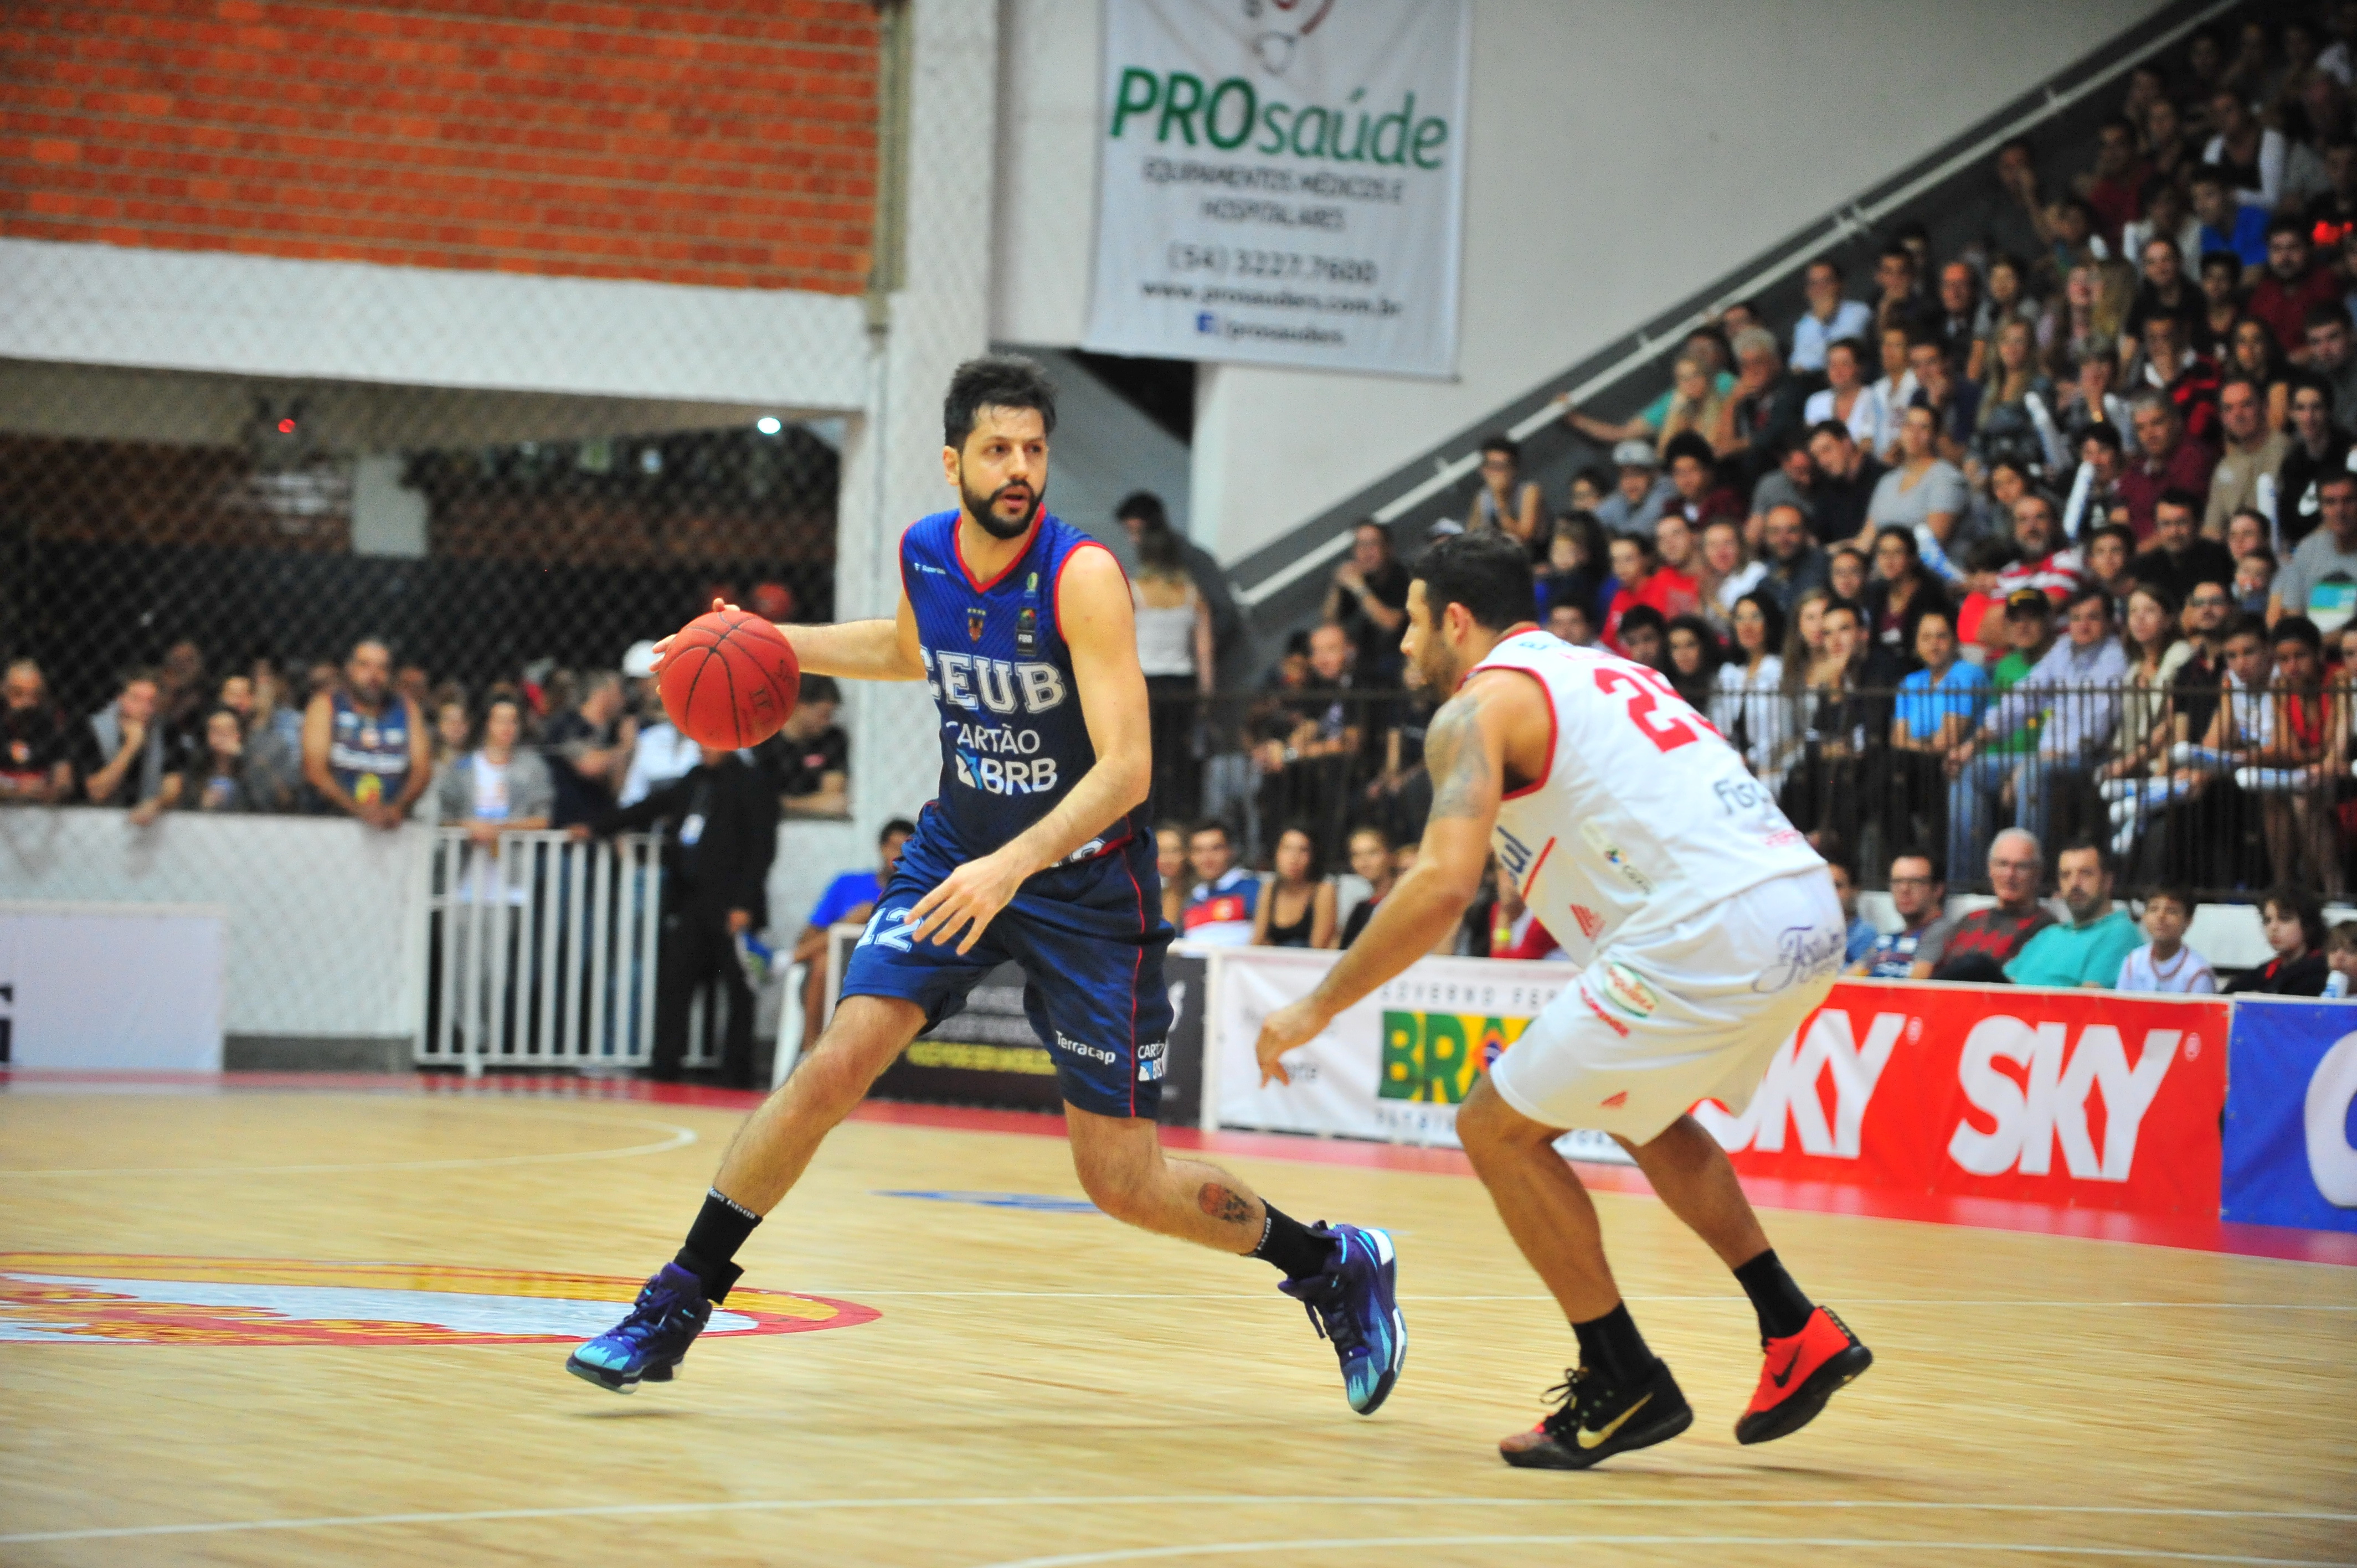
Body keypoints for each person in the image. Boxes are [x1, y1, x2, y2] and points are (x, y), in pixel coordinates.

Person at [569, 357, 1404, 1414]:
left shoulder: (1081, 575)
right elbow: (904, 647)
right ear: (953, 459)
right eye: (998, 450)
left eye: (1034, 451)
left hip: (1087, 891)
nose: (1019, 469)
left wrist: (1015, 865)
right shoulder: (926, 551)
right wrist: (769, 643)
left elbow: (1128, 769)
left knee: (1122, 1181)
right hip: (955, 851)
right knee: (837, 1062)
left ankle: (1331, 1262)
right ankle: (679, 1298)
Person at [1252, 529, 1868, 1472]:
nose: (1405, 644)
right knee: (1640, 1110)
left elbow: (1440, 886)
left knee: (1493, 1128)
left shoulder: (1476, 707)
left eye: (1414, 622)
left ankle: (1622, 1377)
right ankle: (1795, 1328)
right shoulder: (1607, 672)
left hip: (1706, 926)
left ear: (1456, 619)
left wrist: (1315, 1006)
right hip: (1806, 907)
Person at [581, 742, 778, 1086]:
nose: (704, 748)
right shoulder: (695, 779)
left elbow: (762, 848)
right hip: (691, 901)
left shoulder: (752, 783)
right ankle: (665, 1065)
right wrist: (597, 827)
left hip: (731, 904)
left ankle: (736, 1073)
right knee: (676, 983)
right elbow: (651, 806)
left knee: (738, 990)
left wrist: (744, 904)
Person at [791, 818, 917, 1061]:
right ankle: (809, 1054)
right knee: (824, 962)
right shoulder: (847, 884)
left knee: (868, 912)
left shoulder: (916, 894)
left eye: (906, 848)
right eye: (893, 846)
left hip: (883, 972)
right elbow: (810, 934)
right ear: (881, 848)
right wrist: (848, 923)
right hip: (833, 971)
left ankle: (784, 961)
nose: (898, 854)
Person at [1889, 607, 1989, 874]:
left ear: (1954, 641)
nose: (1934, 644)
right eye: (1926, 637)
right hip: (1917, 767)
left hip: (1958, 764)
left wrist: (1917, 742)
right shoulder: (1910, 682)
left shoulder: (1967, 674)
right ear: (1916, 644)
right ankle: (1902, 863)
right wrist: (1927, 743)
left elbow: (1948, 740)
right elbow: (1896, 740)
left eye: (1941, 636)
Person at [1136, 510, 1216, 822]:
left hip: (1145, 683)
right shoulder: (1193, 594)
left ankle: (1147, 820)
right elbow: (1204, 650)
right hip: (1183, 683)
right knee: (1179, 755)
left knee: (1145, 755)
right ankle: (1177, 819)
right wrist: (1206, 694)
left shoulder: (1132, 590)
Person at [300, 637, 429, 829]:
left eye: (382, 668)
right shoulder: (326, 706)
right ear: (350, 669)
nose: (374, 675)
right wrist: (359, 810)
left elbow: (422, 770)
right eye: (365, 666)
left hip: (391, 826)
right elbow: (314, 769)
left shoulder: (407, 709)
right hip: (331, 823)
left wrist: (397, 807)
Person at [2004, 839, 2142, 988]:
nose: (2074, 883)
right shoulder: (2048, 935)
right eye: (2066, 875)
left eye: (2086, 874)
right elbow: (2001, 985)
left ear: (2107, 881)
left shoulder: (2120, 934)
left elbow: (2088, 999)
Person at [1921, 828, 2055, 981]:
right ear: (1990, 869)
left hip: (2002, 994)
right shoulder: (1970, 920)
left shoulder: (2047, 929)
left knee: (1975, 964)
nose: (2010, 874)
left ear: (2038, 873)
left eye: (2021, 866)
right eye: (2002, 864)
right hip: (1948, 993)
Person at [434, 695, 556, 844]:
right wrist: (467, 826)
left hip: (514, 854)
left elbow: (542, 818)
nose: (507, 727)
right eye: (501, 720)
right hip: (467, 854)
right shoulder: (462, 767)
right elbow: (445, 816)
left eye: (513, 721)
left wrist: (499, 829)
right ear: (488, 723)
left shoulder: (533, 768)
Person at [1867, 405, 1968, 580]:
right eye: (1909, 426)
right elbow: (1866, 539)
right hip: (1883, 576)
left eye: (1923, 427)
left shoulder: (1946, 479)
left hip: (1928, 579)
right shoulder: (1887, 481)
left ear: (1935, 436)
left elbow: (1933, 546)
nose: (1914, 434)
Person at [539, 669, 636, 829]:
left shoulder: (613, 732)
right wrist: (626, 747)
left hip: (601, 826)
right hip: (567, 826)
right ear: (603, 694)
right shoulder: (567, 724)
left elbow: (617, 787)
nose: (623, 701)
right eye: (619, 693)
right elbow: (589, 766)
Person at [1713, 592, 1788, 792]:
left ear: (1769, 623)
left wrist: (1752, 761)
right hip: (1735, 774)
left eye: (1756, 617)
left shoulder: (1780, 670)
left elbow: (1784, 733)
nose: (1747, 626)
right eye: (1740, 618)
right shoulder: (1731, 673)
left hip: (1773, 774)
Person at [751, 675, 849, 819]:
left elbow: (835, 801)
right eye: (823, 715)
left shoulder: (832, 739)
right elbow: (755, 798)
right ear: (800, 706)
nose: (827, 722)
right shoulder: (763, 739)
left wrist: (784, 804)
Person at [1322, 520, 1410, 680]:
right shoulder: (1356, 578)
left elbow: (1392, 625)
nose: (1366, 552)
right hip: (1361, 664)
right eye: (1360, 545)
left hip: (1397, 661)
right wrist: (1337, 586)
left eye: (1373, 544)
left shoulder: (1402, 578)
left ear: (1388, 549)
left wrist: (1359, 589)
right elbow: (1329, 623)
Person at [2272, 471, 2357, 632]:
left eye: (2348, 501)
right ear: (2321, 508)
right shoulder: (2307, 550)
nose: (2340, 510)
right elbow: (2293, 614)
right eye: (2330, 502)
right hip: (2312, 644)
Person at [1850, 849, 1953, 979]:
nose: (1904, 889)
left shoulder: (1944, 935)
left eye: (1916, 882)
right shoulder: (1886, 939)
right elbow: (1846, 982)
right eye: (1897, 882)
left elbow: (1914, 987)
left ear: (1937, 889)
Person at [2224, 886, 2330, 994]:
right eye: (2268, 920)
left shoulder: (2321, 970)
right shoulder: (2267, 970)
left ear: (2308, 925)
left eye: (2284, 919)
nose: (2273, 927)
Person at [2133, 489, 2234, 604]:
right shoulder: (2146, 567)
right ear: (2156, 527)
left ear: (2198, 524)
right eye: (2166, 524)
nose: (2174, 532)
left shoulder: (2220, 559)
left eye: (2181, 523)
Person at [2114, 885, 2217, 993]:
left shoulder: (2198, 973)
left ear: (2188, 921)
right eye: (2154, 909)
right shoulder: (2133, 962)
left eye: (2171, 911)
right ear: (2144, 916)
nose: (2161, 916)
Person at [0, 658, 74, 805]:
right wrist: (17, 791)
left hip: (40, 810)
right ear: (3, 691)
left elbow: (65, 782)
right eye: (17, 693)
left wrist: (50, 792)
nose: (27, 702)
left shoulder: (50, 725)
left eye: (34, 695)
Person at [1252, 824, 1337, 949]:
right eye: (1287, 849)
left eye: (1303, 850)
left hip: (1308, 960)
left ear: (1313, 856)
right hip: (1272, 960)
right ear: (1276, 853)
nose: (1294, 858)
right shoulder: (1269, 889)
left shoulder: (1323, 890)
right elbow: (1257, 943)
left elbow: (1319, 948)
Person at [1789, 259, 1876, 374]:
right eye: (1814, 284)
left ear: (1840, 285)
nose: (1820, 289)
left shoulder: (1858, 312)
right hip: (1814, 381)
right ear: (1807, 291)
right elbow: (1797, 367)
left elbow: (1842, 354)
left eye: (1826, 282)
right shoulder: (1803, 325)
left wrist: (1824, 319)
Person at [1468, 434, 1545, 545]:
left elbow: (1525, 536)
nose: (1498, 473)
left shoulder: (1529, 491)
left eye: (1503, 466)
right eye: (1493, 466)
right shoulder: (1483, 497)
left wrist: (1499, 498)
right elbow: (1471, 534)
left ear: (1514, 469)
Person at [1757, 502, 1831, 614]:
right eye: (1775, 532)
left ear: (1806, 533)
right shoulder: (1763, 574)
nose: (1783, 539)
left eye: (1792, 530)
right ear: (1765, 536)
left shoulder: (1827, 569)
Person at [1337, 824, 1394, 948]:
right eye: (1356, 854)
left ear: (1389, 855)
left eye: (1372, 853)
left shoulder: (1400, 901)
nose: (1364, 861)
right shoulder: (1361, 907)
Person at [1825, 854, 1877, 966]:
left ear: (1854, 890)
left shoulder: (1865, 933)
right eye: (1823, 886)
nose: (1828, 893)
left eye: (1837, 886)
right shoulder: (1804, 932)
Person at [1154, 821, 1188, 931]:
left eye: (1174, 851)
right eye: (1160, 851)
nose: (1167, 859)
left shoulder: (1200, 893)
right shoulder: (1152, 895)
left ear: (1187, 853)